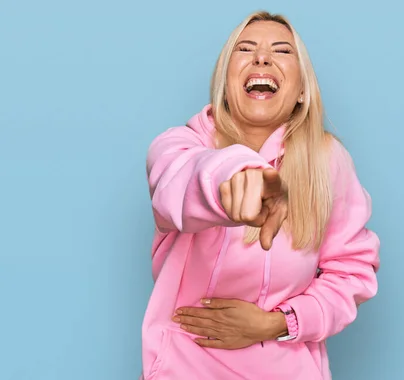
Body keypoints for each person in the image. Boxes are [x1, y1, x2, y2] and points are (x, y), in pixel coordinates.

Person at [140, 10, 380, 380]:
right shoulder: (180, 146)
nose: (262, 57)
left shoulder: (328, 160)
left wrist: (275, 324)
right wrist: (235, 177)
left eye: (281, 51)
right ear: (224, 83)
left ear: (302, 91)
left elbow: (352, 272)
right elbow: (178, 184)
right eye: (245, 48)